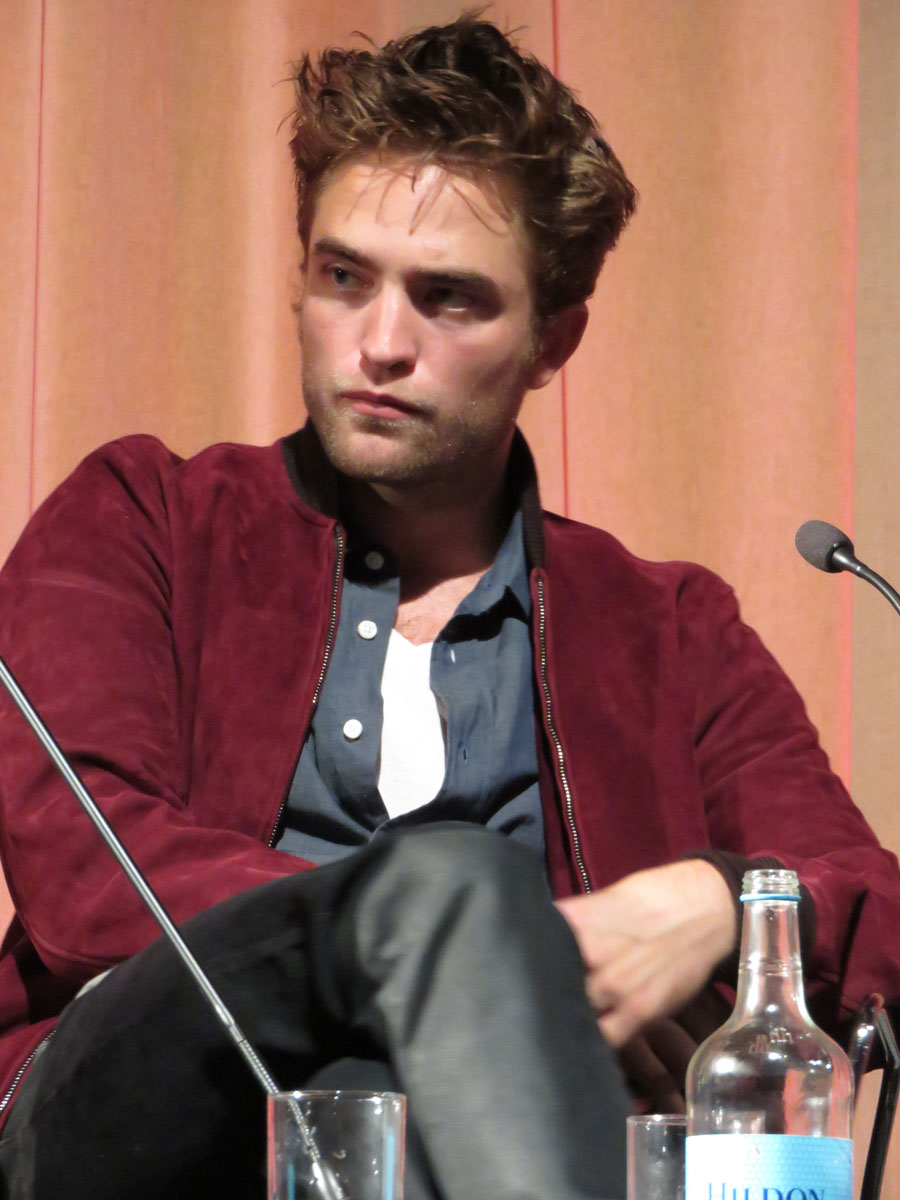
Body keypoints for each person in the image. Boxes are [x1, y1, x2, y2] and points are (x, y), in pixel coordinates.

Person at [0, 13, 898, 1199]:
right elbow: (83, 872)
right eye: (342, 277)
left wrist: (719, 898)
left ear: (552, 342)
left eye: (449, 299)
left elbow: (867, 902)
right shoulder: (144, 517)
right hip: (143, 1108)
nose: (380, 344)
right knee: (447, 889)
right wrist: (493, 951)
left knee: (408, 1082)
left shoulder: (671, 629)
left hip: (491, 1136)